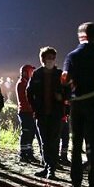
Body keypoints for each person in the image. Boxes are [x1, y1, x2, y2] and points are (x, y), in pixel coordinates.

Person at [62, 22, 94, 187]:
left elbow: (65, 79)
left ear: (80, 36)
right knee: (93, 145)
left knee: (76, 144)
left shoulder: (72, 56)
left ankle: (76, 184)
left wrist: (68, 98)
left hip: (77, 104)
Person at [27, 47, 65, 179]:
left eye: (53, 58)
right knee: (44, 141)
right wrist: (34, 107)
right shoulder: (37, 74)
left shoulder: (60, 74)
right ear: (42, 59)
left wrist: (62, 100)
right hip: (41, 114)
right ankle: (47, 167)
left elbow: (68, 92)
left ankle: (51, 169)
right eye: (48, 58)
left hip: (56, 114)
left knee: (54, 141)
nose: (51, 60)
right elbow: (29, 92)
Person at [16, 64, 40, 163]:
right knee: (26, 132)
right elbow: (27, 98)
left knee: (31, 133)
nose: (32, 73)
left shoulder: (26, 82)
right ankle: (23, 153)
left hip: (29, 111)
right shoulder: (22, 83)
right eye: (31, 71)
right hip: (25, 112)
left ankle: (29, 152)